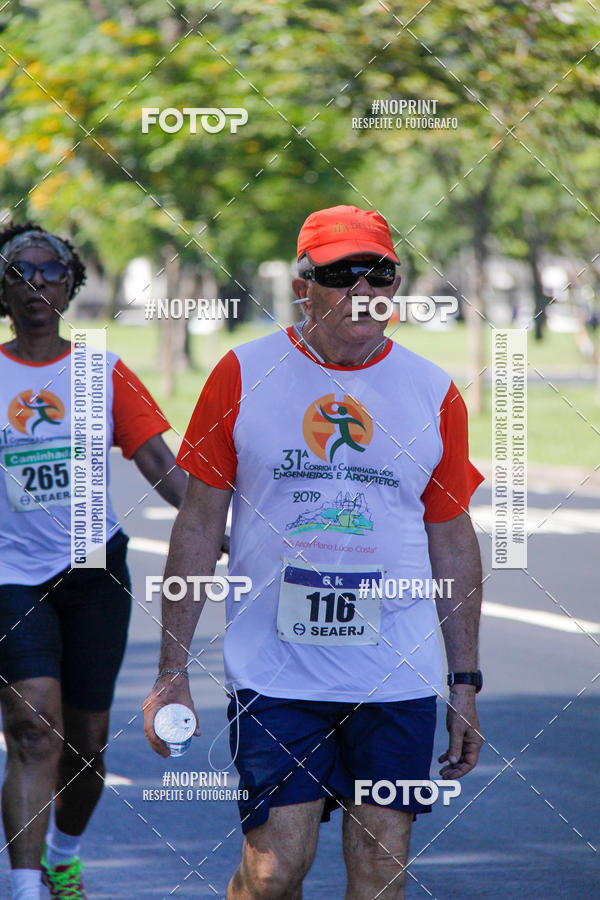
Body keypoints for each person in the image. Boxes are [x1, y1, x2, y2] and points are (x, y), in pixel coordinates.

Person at [143, 205, 485, 899]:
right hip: (278, 671)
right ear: (304, 287)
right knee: (273, 870)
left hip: (395, 674)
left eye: (379, 273)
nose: (363, 290)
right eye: (340, 274)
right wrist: (170, 671)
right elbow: (200, 525)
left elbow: (451, 538)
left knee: (381, 861)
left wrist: (465, 684)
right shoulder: (242, 374)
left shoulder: (434, 391)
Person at [0, 222, 189, 900]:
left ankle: (62, 855)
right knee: (32, 726)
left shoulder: (98, 370)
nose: (35, 285)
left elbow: (160, 463)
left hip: (91, 567)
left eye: (49, 271)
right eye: (19, 272)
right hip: (9, 577)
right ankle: (22, 890)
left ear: (71, 284)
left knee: (85, 742)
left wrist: (232, 532)